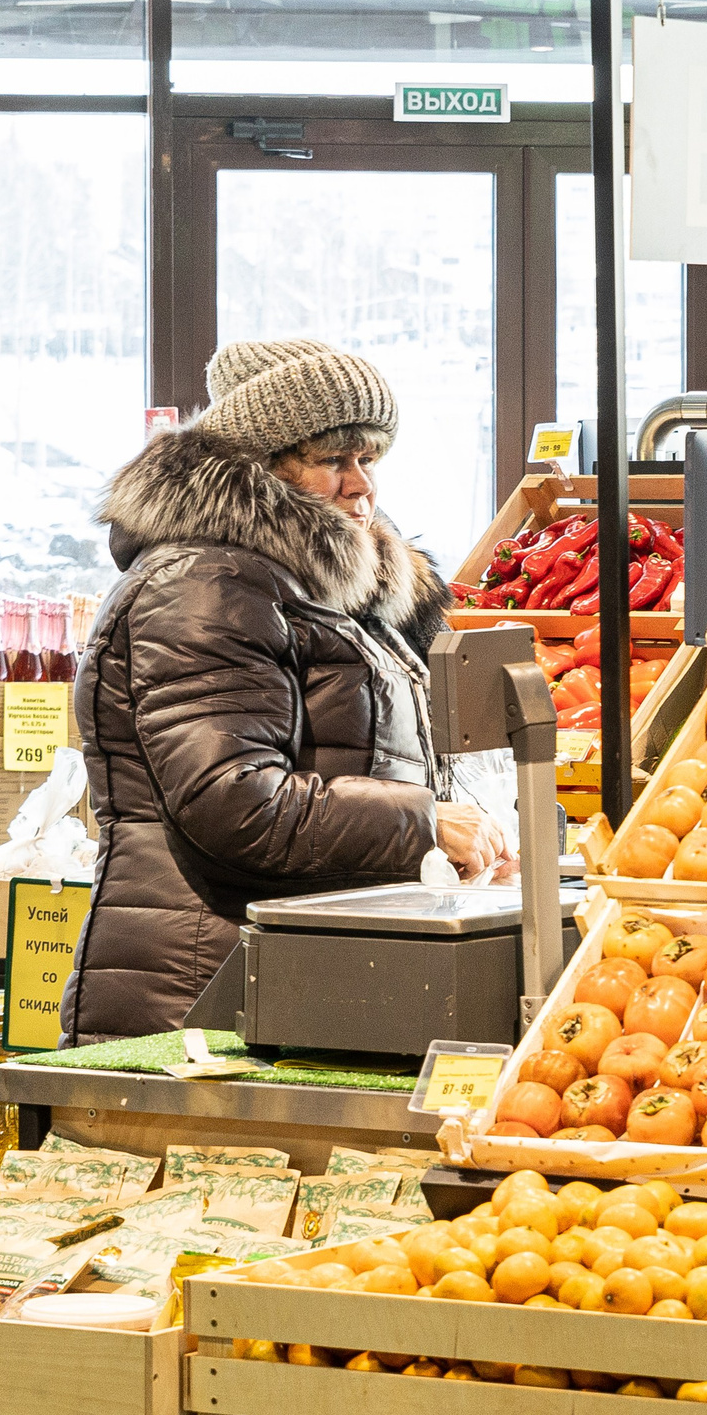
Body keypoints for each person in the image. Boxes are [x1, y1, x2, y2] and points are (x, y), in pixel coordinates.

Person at [62, 339, 508, 1042]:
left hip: (284, 978)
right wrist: (424, 821)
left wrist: (452, 841)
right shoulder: (205, 586)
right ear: (261, 469)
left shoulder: (325, 591)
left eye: (369, 459)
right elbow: (235, 800)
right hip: (200, 1000)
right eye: (334, 460)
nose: (362, 485)